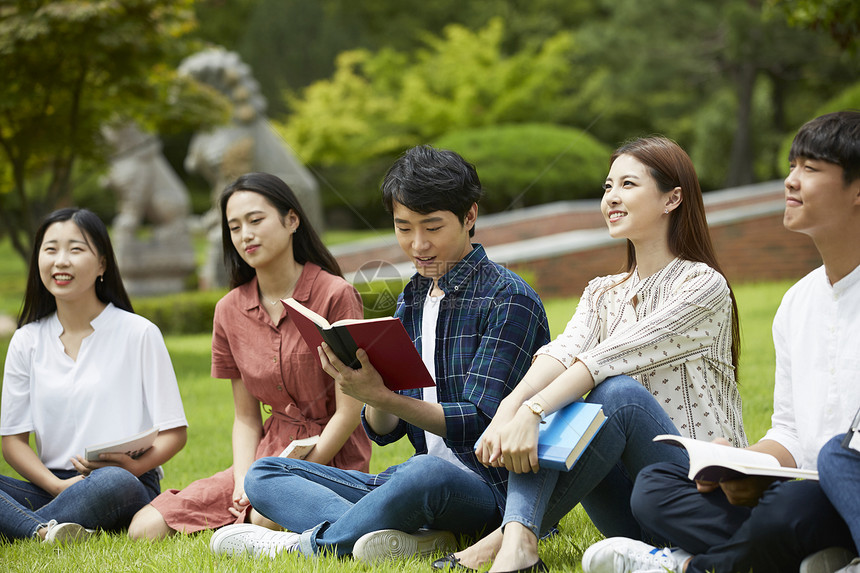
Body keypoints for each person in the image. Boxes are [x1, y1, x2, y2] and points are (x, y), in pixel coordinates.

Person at [207, 145, 551, 563]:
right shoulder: (412, 298)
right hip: (410, 481)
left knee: (424, 473)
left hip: (491, 490)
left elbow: (477, 421)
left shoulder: (508, 299)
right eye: (403, 228)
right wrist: (367, 389)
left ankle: (308, 544)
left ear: (470, 217)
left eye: (432, 227)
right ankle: (411, 533)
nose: (417, 244)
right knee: (265, 474)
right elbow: (385, 430)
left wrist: (386, 397)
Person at [442, 136, 748, 573]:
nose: (612, 198)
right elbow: (564, 352)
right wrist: (510, 409)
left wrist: (534, 409)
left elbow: (610, 357)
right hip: (633, 511)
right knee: (564, 394)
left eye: (628, 184)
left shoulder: (702, 286)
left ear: (672, 198)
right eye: (607, 187)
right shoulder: (603, 291)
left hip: (702, 503)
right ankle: (519, 543)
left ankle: (507, 542)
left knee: (614, 393)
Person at [580, 110, 860, 573]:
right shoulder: (798, 302)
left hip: (835, 487)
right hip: (793, 487)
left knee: (803, 496)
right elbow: (789, 432)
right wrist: (740, 465)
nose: (790, 181)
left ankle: (692, 567)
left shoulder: (698, 283)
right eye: (791, 167)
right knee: (657, 484)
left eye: (810, 170)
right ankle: (806, 558)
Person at [128, 172, 372, 540]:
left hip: (331, 456)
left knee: (264, 518)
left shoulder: (335, 295)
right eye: (235, 227)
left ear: (292, 220)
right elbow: (245, 418)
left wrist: (286, 479)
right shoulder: (229, 310)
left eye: (256, 220)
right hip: (266, 456)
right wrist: (244, 480)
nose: (246, 235)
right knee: (145, 528)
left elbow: (350, 410)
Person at [0, 208, 187, 543]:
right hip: (50, 486)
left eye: (75, 249)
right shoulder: (26, 340)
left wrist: (130, 468)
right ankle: (42, 531)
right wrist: (55, 485)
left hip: (121, 481)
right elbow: (13, 442)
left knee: (111, 483)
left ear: (102, 263)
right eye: (50, 249)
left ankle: (18, 526)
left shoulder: (139, 333)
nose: (61, 261)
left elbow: (174, 433)